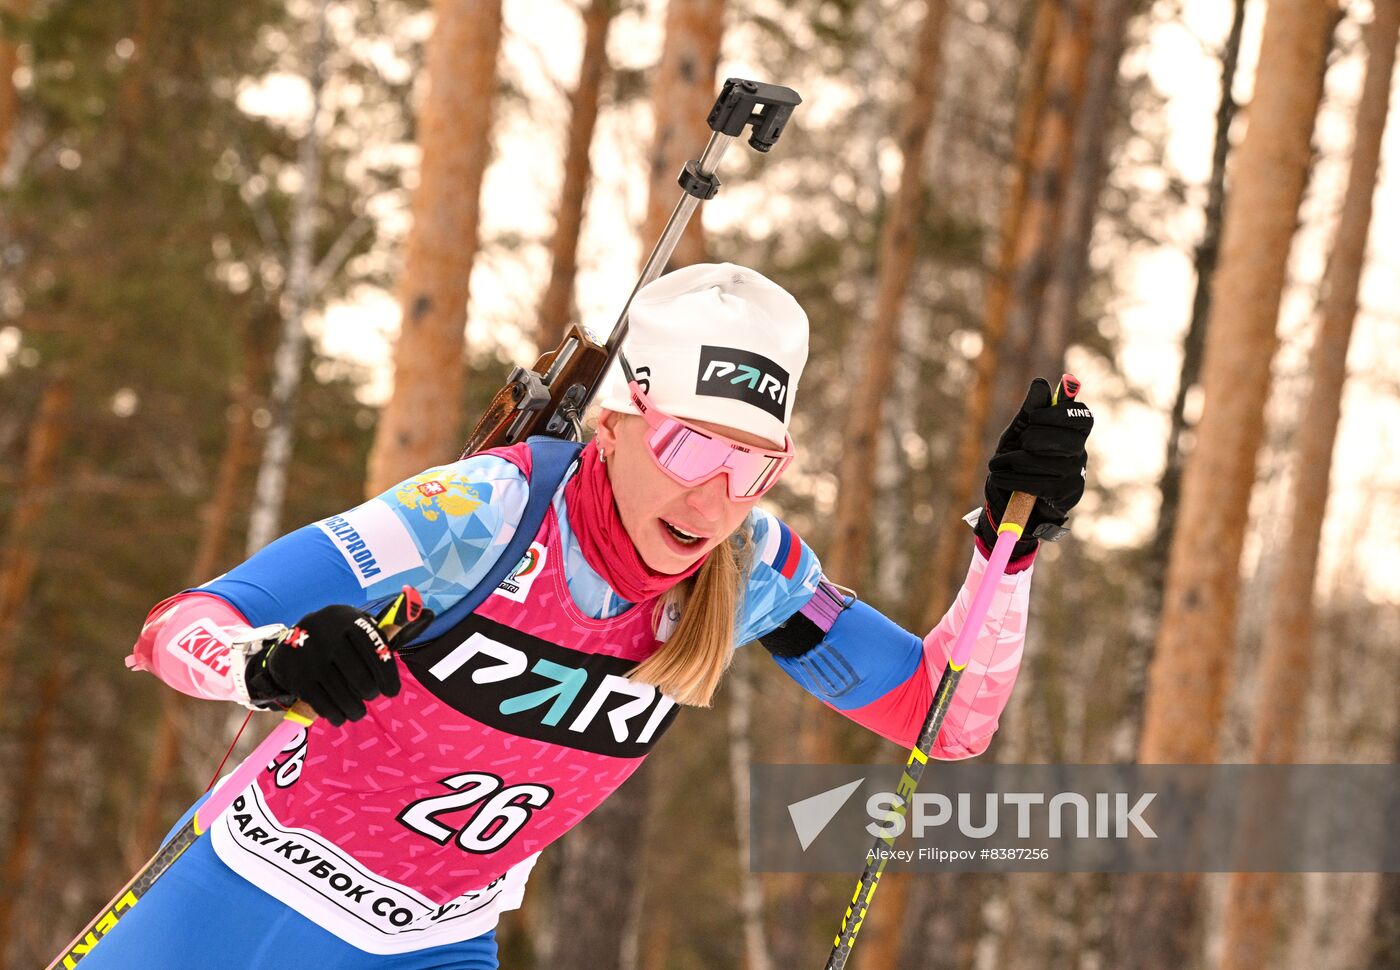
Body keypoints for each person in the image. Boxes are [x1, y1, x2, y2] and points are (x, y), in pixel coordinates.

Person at [99, 263, 1092, 967]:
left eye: (750, 465)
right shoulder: (480, 513)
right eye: (690, 449)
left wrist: (1006, 550)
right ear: (613, 426)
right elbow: (177, 628)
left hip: (430, 942)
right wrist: (271, 660)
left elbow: (942, 720)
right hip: (240, 892)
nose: (712, 499)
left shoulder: (750, 570)